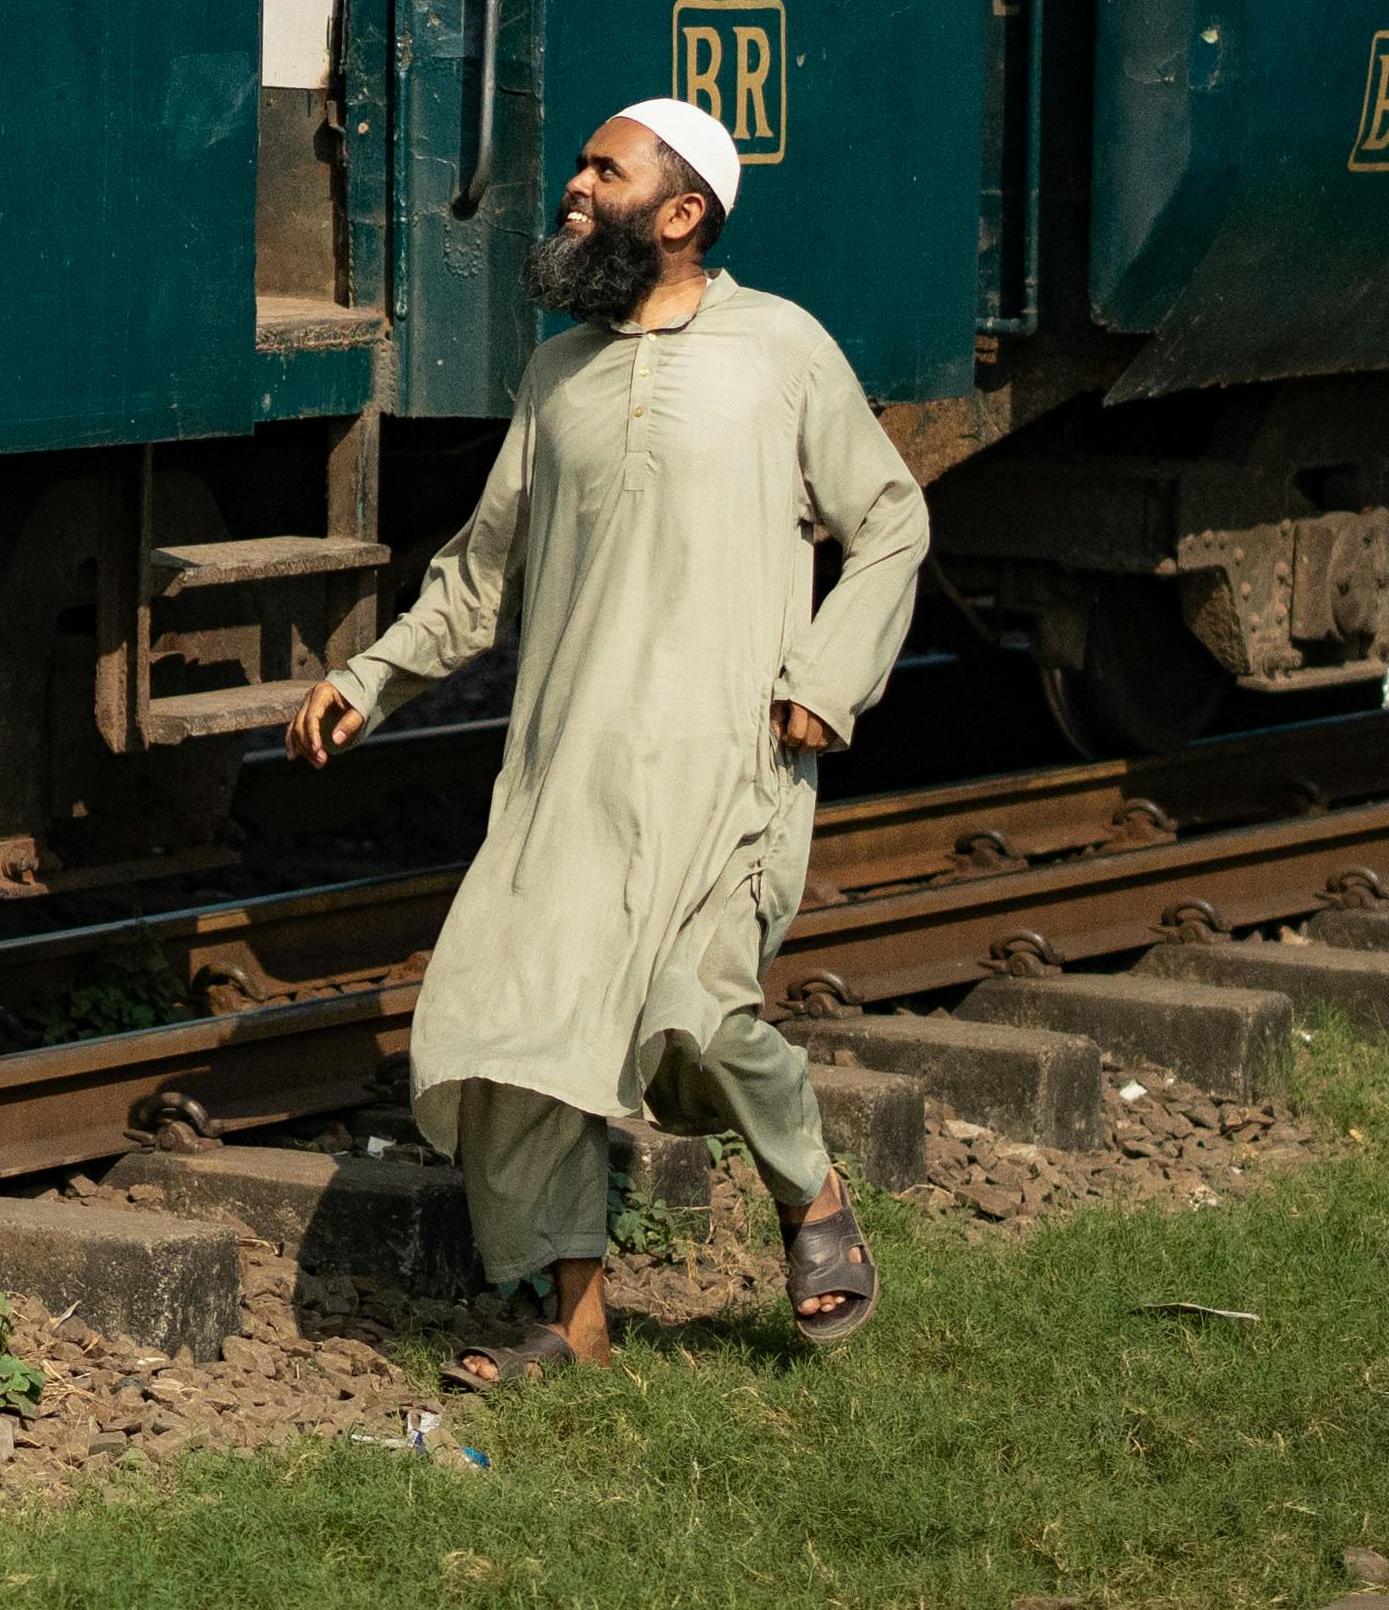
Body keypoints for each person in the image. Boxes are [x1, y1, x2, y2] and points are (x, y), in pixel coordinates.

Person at [287, 98, 930, 1385]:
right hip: (564, 775)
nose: (574, 187)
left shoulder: (781, 350)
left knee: (690, 1026)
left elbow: (890, 521)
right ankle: (570, 1319)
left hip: (723, 770)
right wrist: (372, 676)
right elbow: (481, 576)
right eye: (578, 167)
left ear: (681, 215)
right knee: (509, 1037)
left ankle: (808, 1196)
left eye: (602, 170)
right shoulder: (557, 375)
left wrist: (827, 673)